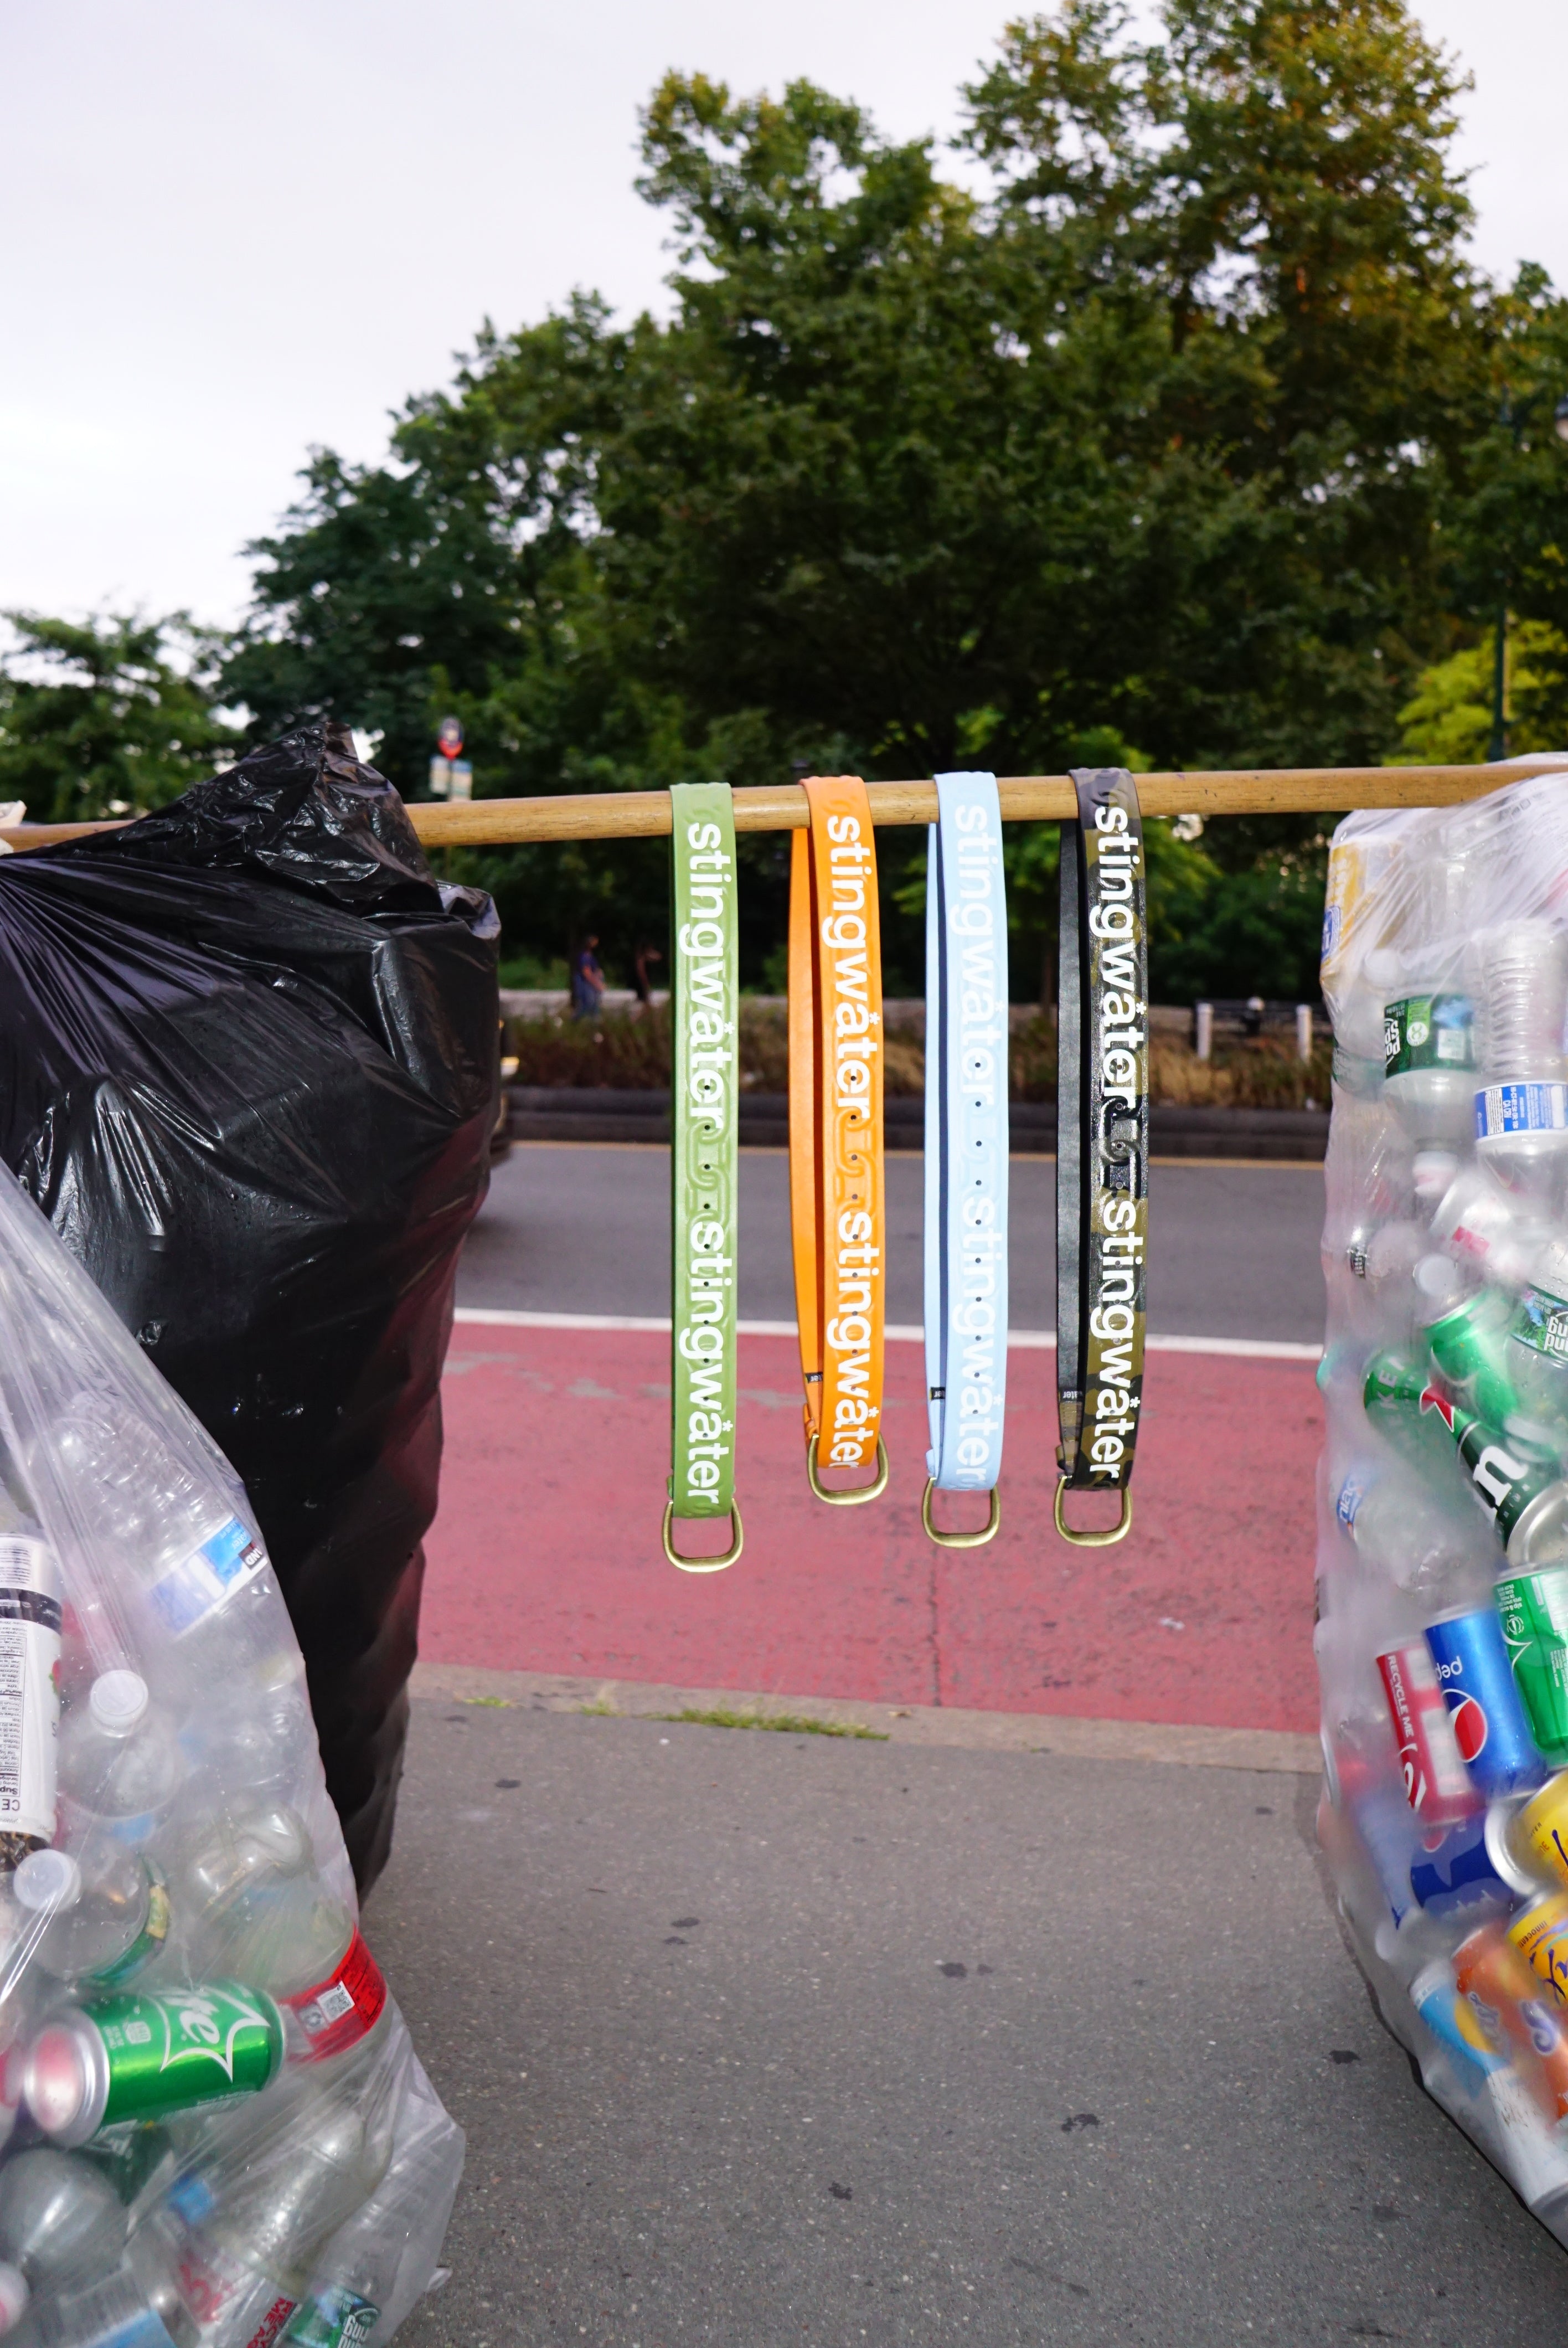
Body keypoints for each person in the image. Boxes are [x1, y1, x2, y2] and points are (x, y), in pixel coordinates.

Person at [570, 933, 606, 1021]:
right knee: (588, 1004)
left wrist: (600, 976)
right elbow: (587, 973)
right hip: (585, 985)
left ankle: (593, 1026)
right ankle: (574, 1021)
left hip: (591, 985)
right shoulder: (584, 957)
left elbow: (596, 970)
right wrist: (598, 984)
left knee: (594, 1006)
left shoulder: (591, 957)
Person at [633, 942, 663, 1008]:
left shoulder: (643, 957)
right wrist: (646, 983)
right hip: (642, 983)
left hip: (642, 983)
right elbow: (642, 973)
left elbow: (658, 957)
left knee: (645, 1003)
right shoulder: (641, 960)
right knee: (646, 1002)